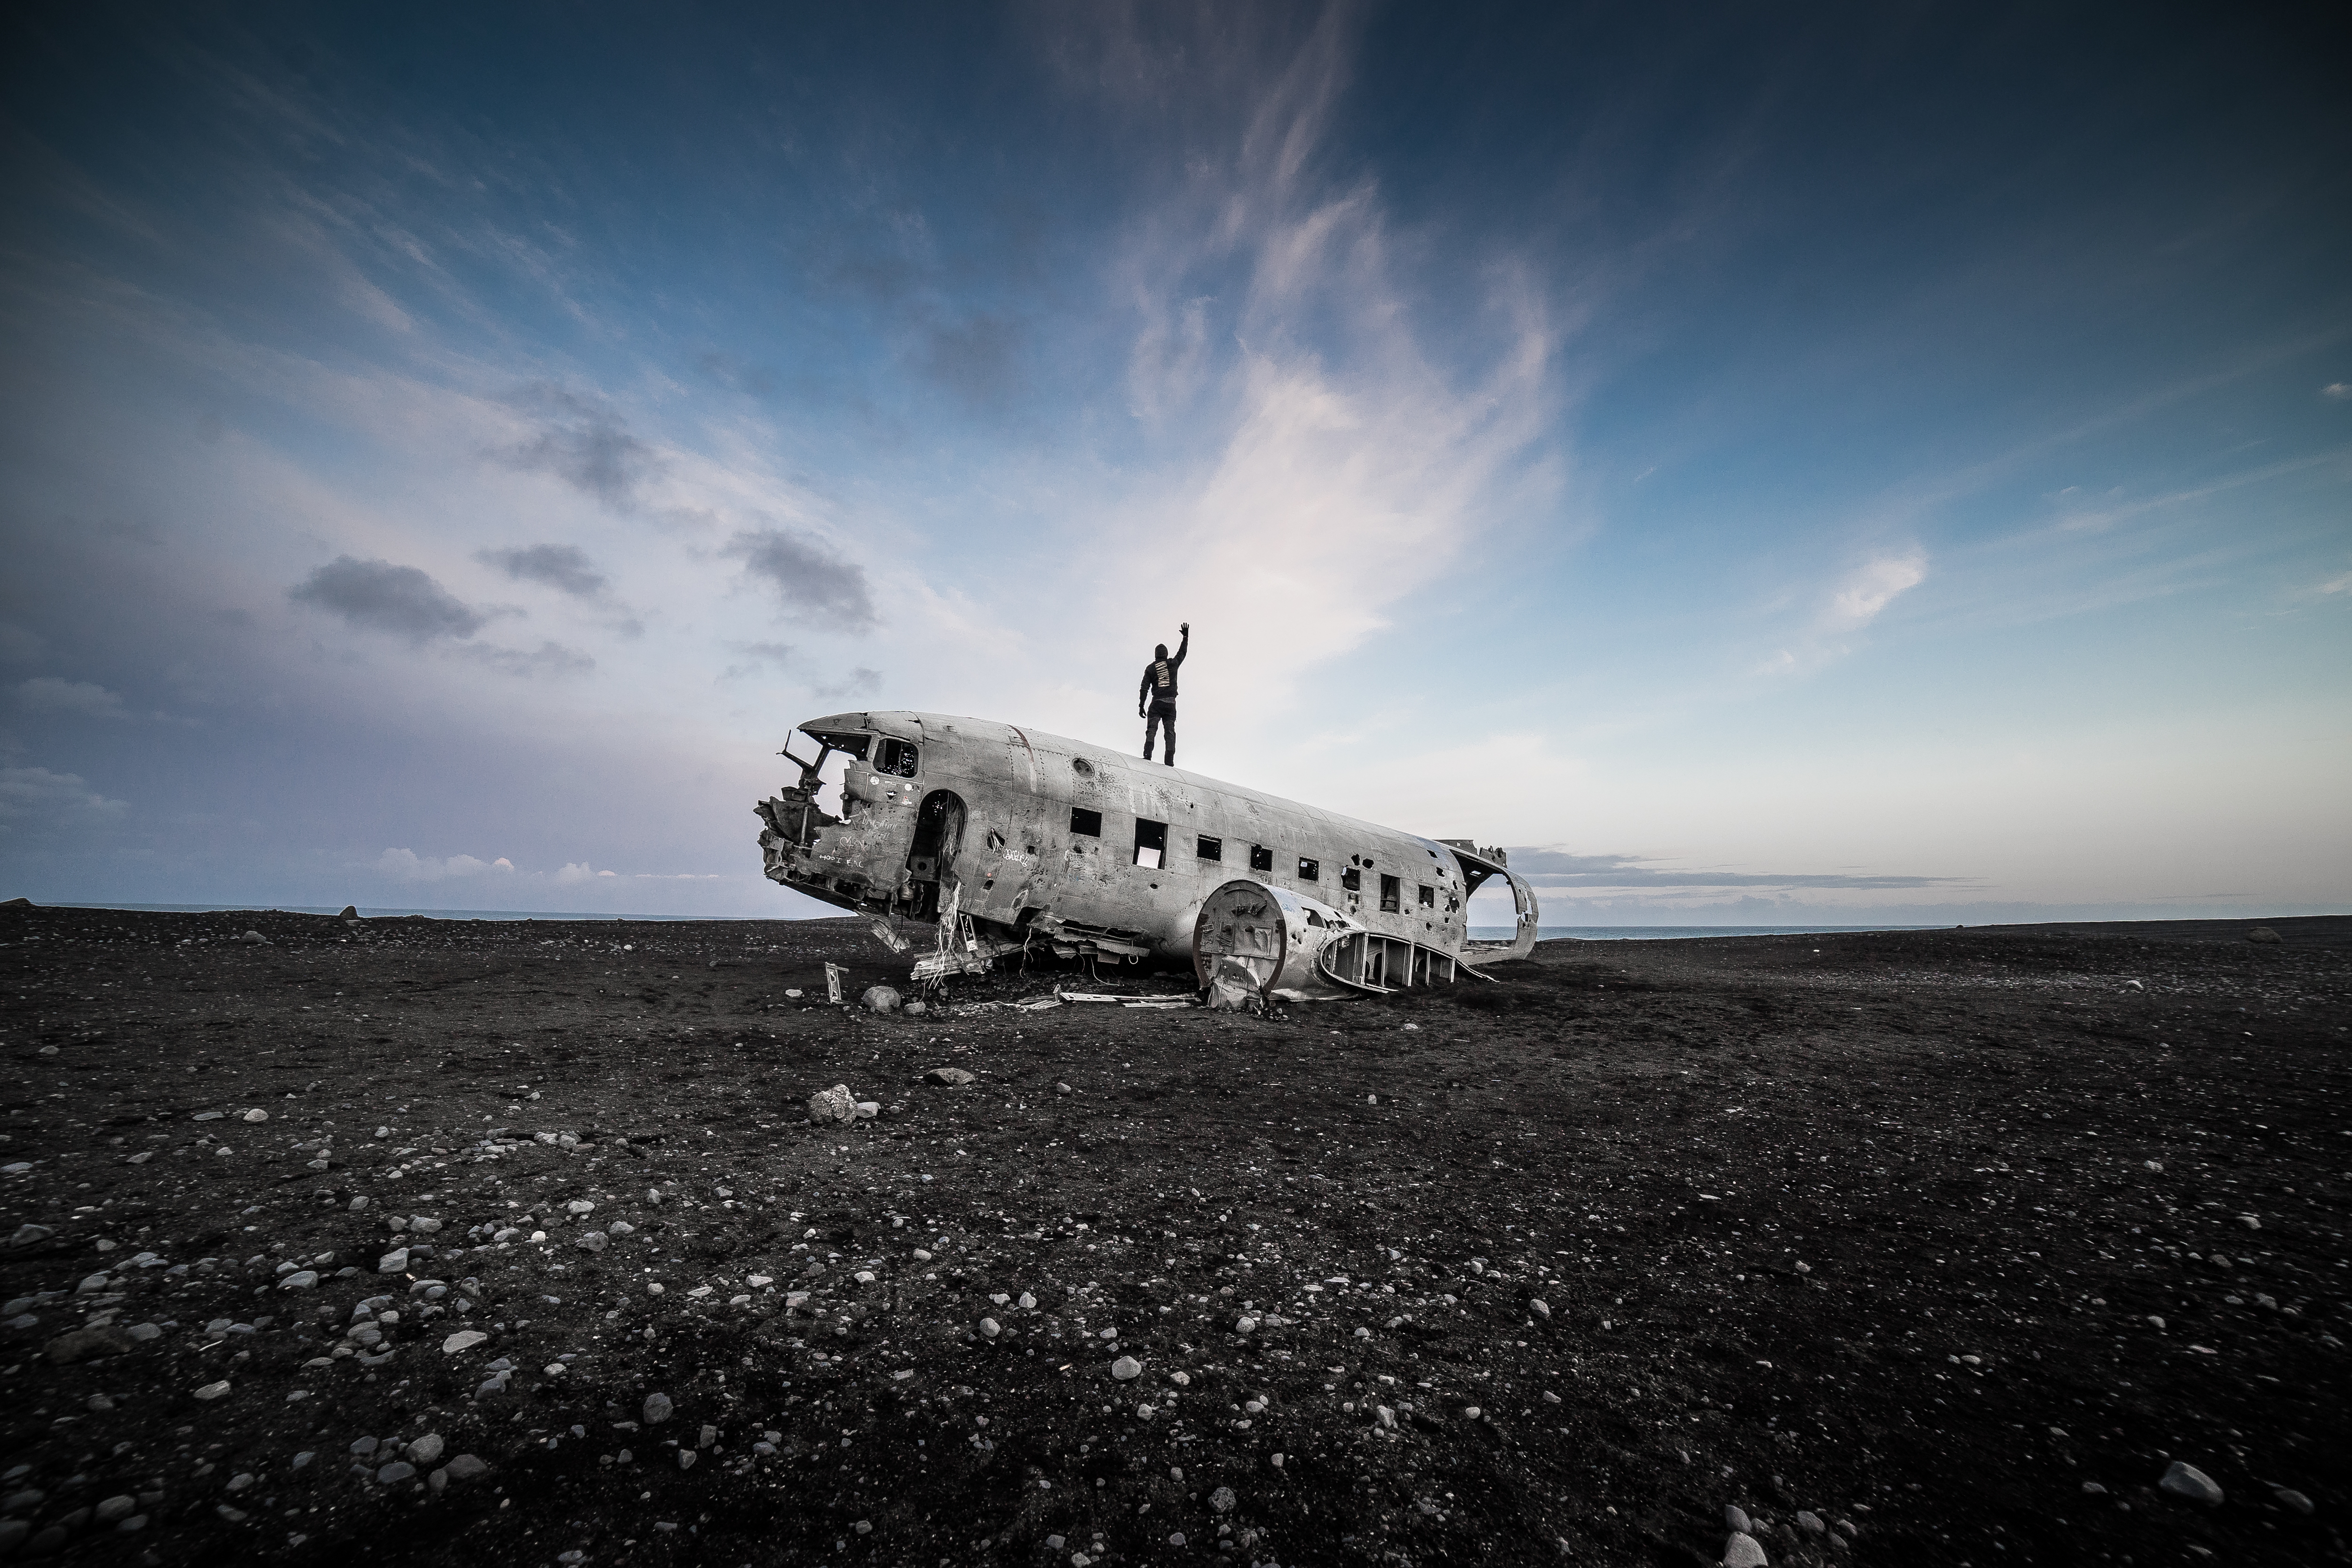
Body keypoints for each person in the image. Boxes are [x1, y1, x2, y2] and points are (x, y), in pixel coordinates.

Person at [1138, 621, 1189, 765]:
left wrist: (1141, 705)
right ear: (1166, 655)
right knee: (1170, 732)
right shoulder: (1173, 664)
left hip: (1156, 704)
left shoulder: (1150, 668)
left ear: (1156, 655)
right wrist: (1185, 637)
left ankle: (1148, 756)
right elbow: (1182, 653)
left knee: (1152, 729)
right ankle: (1169, 762)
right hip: (1170, 704)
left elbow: (1144, 688)